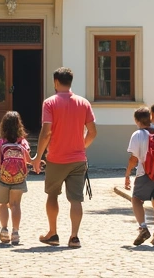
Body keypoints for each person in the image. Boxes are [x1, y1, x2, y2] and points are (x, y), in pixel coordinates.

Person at [31, 67, 96, 248]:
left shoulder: (50, 103)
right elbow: (92, 132)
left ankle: (52, 233)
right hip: (78, 160)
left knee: (53, 195)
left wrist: (38, 157)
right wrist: (80, 147)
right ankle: (74, 237)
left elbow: (46, 133)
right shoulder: (83, 103)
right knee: (76, 199)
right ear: (70, 82)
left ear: (56, 82)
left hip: (56, 159)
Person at [124, 105, 154, 247]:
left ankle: (143, 228)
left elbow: (134, 158)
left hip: (145, 173)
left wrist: (127, 173)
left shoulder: (138, 135)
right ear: (150, 118)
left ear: (136, 120)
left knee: (136, 200)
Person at [0, 110, 32, 245]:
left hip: (3, 177)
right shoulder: (23, 142)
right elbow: (27, 160)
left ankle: (4, 230)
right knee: (15, 205)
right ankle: (15, 232)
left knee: (3, 204)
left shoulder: (1, 143)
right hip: (19, 178)